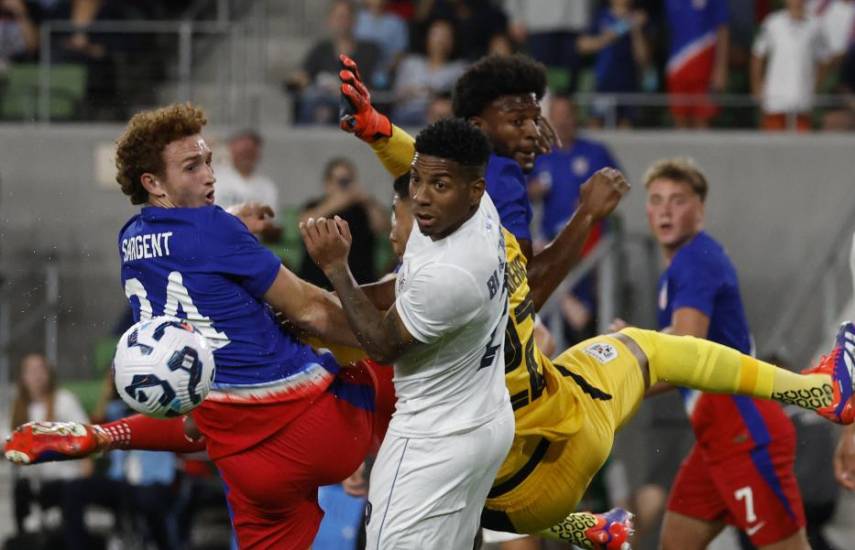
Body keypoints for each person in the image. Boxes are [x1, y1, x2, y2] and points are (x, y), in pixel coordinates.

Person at [334, 55, 855, 548]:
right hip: (541, 445)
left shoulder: (446, 248)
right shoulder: (468, 228)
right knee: (646, 351)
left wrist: (376, 134)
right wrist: (587, 214)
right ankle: (816, 390)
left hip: (496, 477)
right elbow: (519, 278)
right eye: (519, 117)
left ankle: (588, 529)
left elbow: (431, 179)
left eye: (534, 114)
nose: (534, 129)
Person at [28, 101, 393, 550]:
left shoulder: (129, 240)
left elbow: (184, 248)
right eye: (192, 166)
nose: (209, 174)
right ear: (154, 183)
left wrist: (234, 224)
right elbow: (313, 311)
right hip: (320, 427)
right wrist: (389, 330)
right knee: (398, 331)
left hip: (241, 461)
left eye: (208, 161)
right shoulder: (215, 230)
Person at [301, 118, 515, 549]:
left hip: (433, 440)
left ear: (474, 190)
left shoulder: (452, 273)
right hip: (484, 419)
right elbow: (400, 288)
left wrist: (336, 269)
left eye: (439, 186)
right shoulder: (475, 210)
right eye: (416, 179)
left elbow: (382, 346)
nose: (420, 198)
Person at [642, 158, 809, 550]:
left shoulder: (695, 260)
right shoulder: (687, 262)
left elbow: (687, 353)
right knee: (675, 542)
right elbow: (682, 342)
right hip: (717, 438)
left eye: (678, 200)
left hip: (744, 434)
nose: (665, 209)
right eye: (656, 199)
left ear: (700, 208)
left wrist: (613, 386)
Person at [8, 353, 92, 536]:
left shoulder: (64, 400)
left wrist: (86, 469)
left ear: (49, 374)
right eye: (31, 371)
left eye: (41, 369)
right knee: (20, 490)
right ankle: (23, 539)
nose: (37, 375)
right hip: (34, 481)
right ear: (23, 378)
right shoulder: (19, 407)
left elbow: (87, 435)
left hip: (65, 479)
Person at [298, 156, 388, 288]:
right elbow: (303, 224)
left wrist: (367, 202)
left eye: (349, 181)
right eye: (341, 182)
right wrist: (338, 202)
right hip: (319, 281)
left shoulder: (363, 208)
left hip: (360, 282)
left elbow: (382, 227)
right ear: (327, 184)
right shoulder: (316, 205)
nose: (346, 187)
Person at [286, 0, 381, 125]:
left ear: (354, 21)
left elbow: (375, 83)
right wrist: (298, 79)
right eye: (338, 18)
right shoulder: (321, 49)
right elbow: (304, 75)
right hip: (322, 100)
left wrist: (342, 89)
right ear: (330, 21)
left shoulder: (369, 50)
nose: (342, 22)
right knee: (313, 101)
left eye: (346, 17)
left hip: (354, 104)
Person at [751, 0, 831, 132]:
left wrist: (815, 85)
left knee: (802, 148)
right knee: (772, 145)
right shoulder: (772, 22)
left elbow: (825, 59)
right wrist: (757, 86)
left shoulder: (816, 25)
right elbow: (758, 55)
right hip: (774, 97)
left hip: (802, 96)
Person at [576, 0, 651, 128]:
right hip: (603, 82)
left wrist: (636, 30)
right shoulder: (600, 16)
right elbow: (582, 46)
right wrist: (606, 38)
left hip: (628, 84)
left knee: (625, 127)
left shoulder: (638, 18)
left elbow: (643, 58)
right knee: (596, 123)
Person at [664, 0, 730, 128]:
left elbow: (722, 29)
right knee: (679, 120)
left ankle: (705, 149)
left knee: (702, 120)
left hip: (704, 67)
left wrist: (720, 69)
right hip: (677, 66)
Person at [391, 18, 467, 126]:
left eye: (446, 36)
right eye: (436, 35)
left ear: (453, 41)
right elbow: (396, 94)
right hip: (406, 114)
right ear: (427, 38)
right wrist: (411, 91)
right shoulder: (410, 62)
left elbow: (461, 101)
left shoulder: (458, 68)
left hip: (437, 119)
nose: (441, 41)